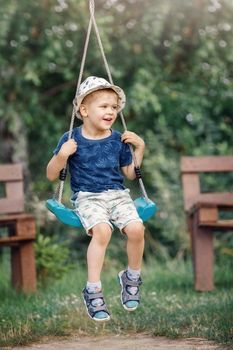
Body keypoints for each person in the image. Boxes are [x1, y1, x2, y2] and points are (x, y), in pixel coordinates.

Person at [46, 76, 145, 322]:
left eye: (114, 107)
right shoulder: (71, 138)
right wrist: (62, 156)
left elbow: (131, 174)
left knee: (136, 228)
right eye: (104, 106)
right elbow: (50, 175)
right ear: (84, 110)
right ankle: (93, 290)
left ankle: (131, 277)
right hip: (87, 197)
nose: (111, 111)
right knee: (102, 231)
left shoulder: (118, 139)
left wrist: (140, 149)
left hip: (117, 195)